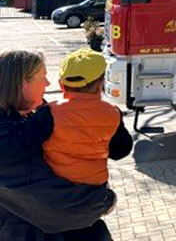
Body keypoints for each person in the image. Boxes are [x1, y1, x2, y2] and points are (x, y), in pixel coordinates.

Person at [0, 49, 116, 240]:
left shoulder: (33, 117)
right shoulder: (9, 141)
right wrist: (104, 200)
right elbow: (59, 206)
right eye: (42, 77)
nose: (48, 83)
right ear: (21, 84)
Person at [42, 48, 133, 187]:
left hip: (56, 188)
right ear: (101, 84)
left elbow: (28, 146)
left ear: (61, 85)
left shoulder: (49, 112)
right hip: (95, 188)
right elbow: (120, 151)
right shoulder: (113, 113)